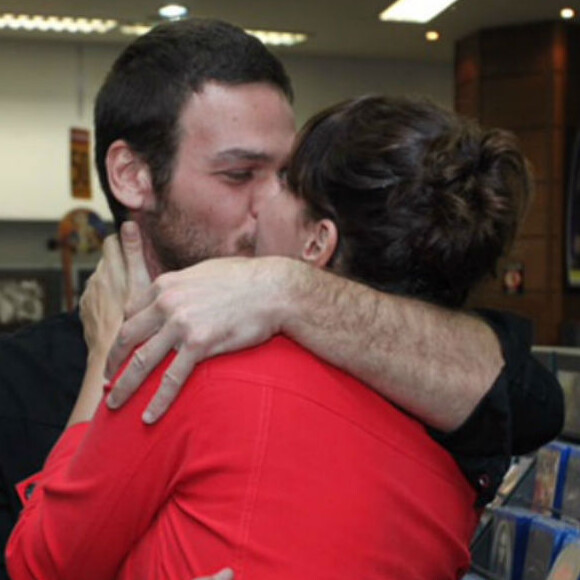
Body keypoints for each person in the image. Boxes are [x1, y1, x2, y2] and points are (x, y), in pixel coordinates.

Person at [0, 16, 562, 578]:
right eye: (240, 173)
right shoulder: (18, 384)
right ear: (131, 176)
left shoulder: (368, 359)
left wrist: (289, 289)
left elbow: (531, 401)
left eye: (285, 176)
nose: (266, 200)